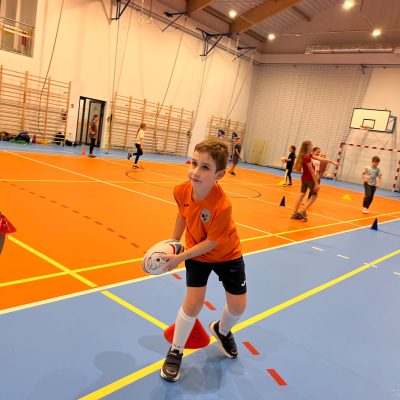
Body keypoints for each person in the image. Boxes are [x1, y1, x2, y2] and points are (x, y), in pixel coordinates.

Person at [159, 138, 247, 382]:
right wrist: (174, 241)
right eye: (194, 163)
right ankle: (176, 350)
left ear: (219, 175)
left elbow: (211, 243)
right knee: (193, 303)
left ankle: (222, 330)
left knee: (238, 306)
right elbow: (182, 214)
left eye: (205, 167)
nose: (195, 172)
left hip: (226, 254)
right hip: (197, 254)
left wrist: (180, 256)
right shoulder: (181, 190)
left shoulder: (222, 205)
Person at [290, 141, 319, 222]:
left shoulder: (306, 156)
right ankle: (303, 211)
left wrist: (331, 162)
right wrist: (316, 183)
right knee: (314, 196)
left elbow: (320, 158)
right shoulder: (307, 158)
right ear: (308, 147)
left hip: (304, 179)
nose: (312, 146)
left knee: (301, 195)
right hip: (310, 179)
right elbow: (312, 171)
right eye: (311, 145)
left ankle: (295, 213)